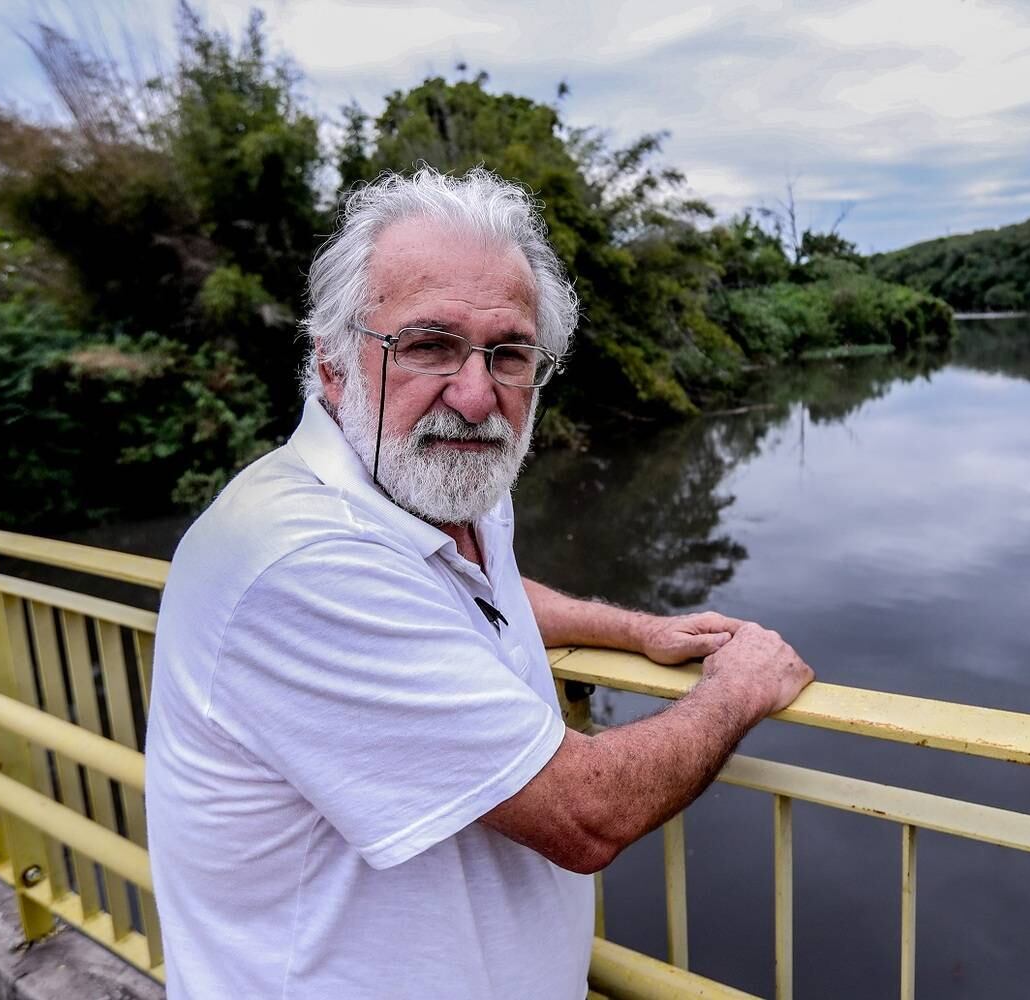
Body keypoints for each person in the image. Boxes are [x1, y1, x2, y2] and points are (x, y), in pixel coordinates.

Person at [144, 166, 815, 999]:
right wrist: (739, 688)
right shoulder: (298, 559)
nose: (475, 394)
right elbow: (585, 814)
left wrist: (634, 630)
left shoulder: (432, 489)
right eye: (427, 345)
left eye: (509, 354)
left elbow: (466, 590)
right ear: (332, 365)